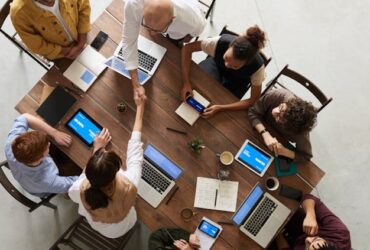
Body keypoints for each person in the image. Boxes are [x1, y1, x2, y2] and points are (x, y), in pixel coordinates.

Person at [68, 89, 147, 238]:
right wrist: (141, 106)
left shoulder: (78, 189)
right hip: (124, 224)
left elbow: (75, 192)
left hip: (106, 230)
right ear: (116, 171)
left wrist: (97, 149)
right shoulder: (130, 184)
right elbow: (135, 148)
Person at [122, 0, 206, 97]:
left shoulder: (191, 22)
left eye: (157, 30)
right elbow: (129, 41)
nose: (152, 33)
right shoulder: (133, 4)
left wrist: (189, 36)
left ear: (172, 19)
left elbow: (195, 32)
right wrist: (136, 84)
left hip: (181, 30)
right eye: (146, 25)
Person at [181, 25, 266, 118]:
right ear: (230, 46)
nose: (227, 65)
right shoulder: (219, 42)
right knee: (198, 85)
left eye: (235, 66)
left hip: (238, 82)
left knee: (222, 104)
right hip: (216, 66)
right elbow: (187, 48)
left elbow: (253, 99)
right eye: (226, 58)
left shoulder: (257, 68)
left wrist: (221, 108)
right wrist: (186, 83)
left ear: (246, 63)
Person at [4, 113, 78, 197]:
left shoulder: (12, 144)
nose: (49, 144)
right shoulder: (49, 181)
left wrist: (55, 133)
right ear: (40, 158)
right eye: (47, 146)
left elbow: (24, 117)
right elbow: (77, 185)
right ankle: (66, 194)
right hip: (45, 189)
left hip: (25, 179)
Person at [247, 88, 317, 163]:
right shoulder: (277, 95)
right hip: (255, 129)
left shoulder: (301, 132)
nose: (275, 112)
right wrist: (265, 133)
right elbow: (253, 112)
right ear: (286, 102)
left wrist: (284, 151)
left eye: (280, 119)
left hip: (275, 147)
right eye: (281, 108)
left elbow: (306, 157)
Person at [10, 0, 91, 60]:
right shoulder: (18, 13)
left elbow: (84, 6)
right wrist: (67, 51)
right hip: (60, 56)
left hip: (83, 36)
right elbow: (37, 45)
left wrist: (81, 42)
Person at [275, 194, 351, 250]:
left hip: (290, 242)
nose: (308, 239)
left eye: (308, 247)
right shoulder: (339, 232)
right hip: (299, 221)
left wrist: (276, 231)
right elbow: (308, 197)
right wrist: (310, 215)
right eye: (316, 239)